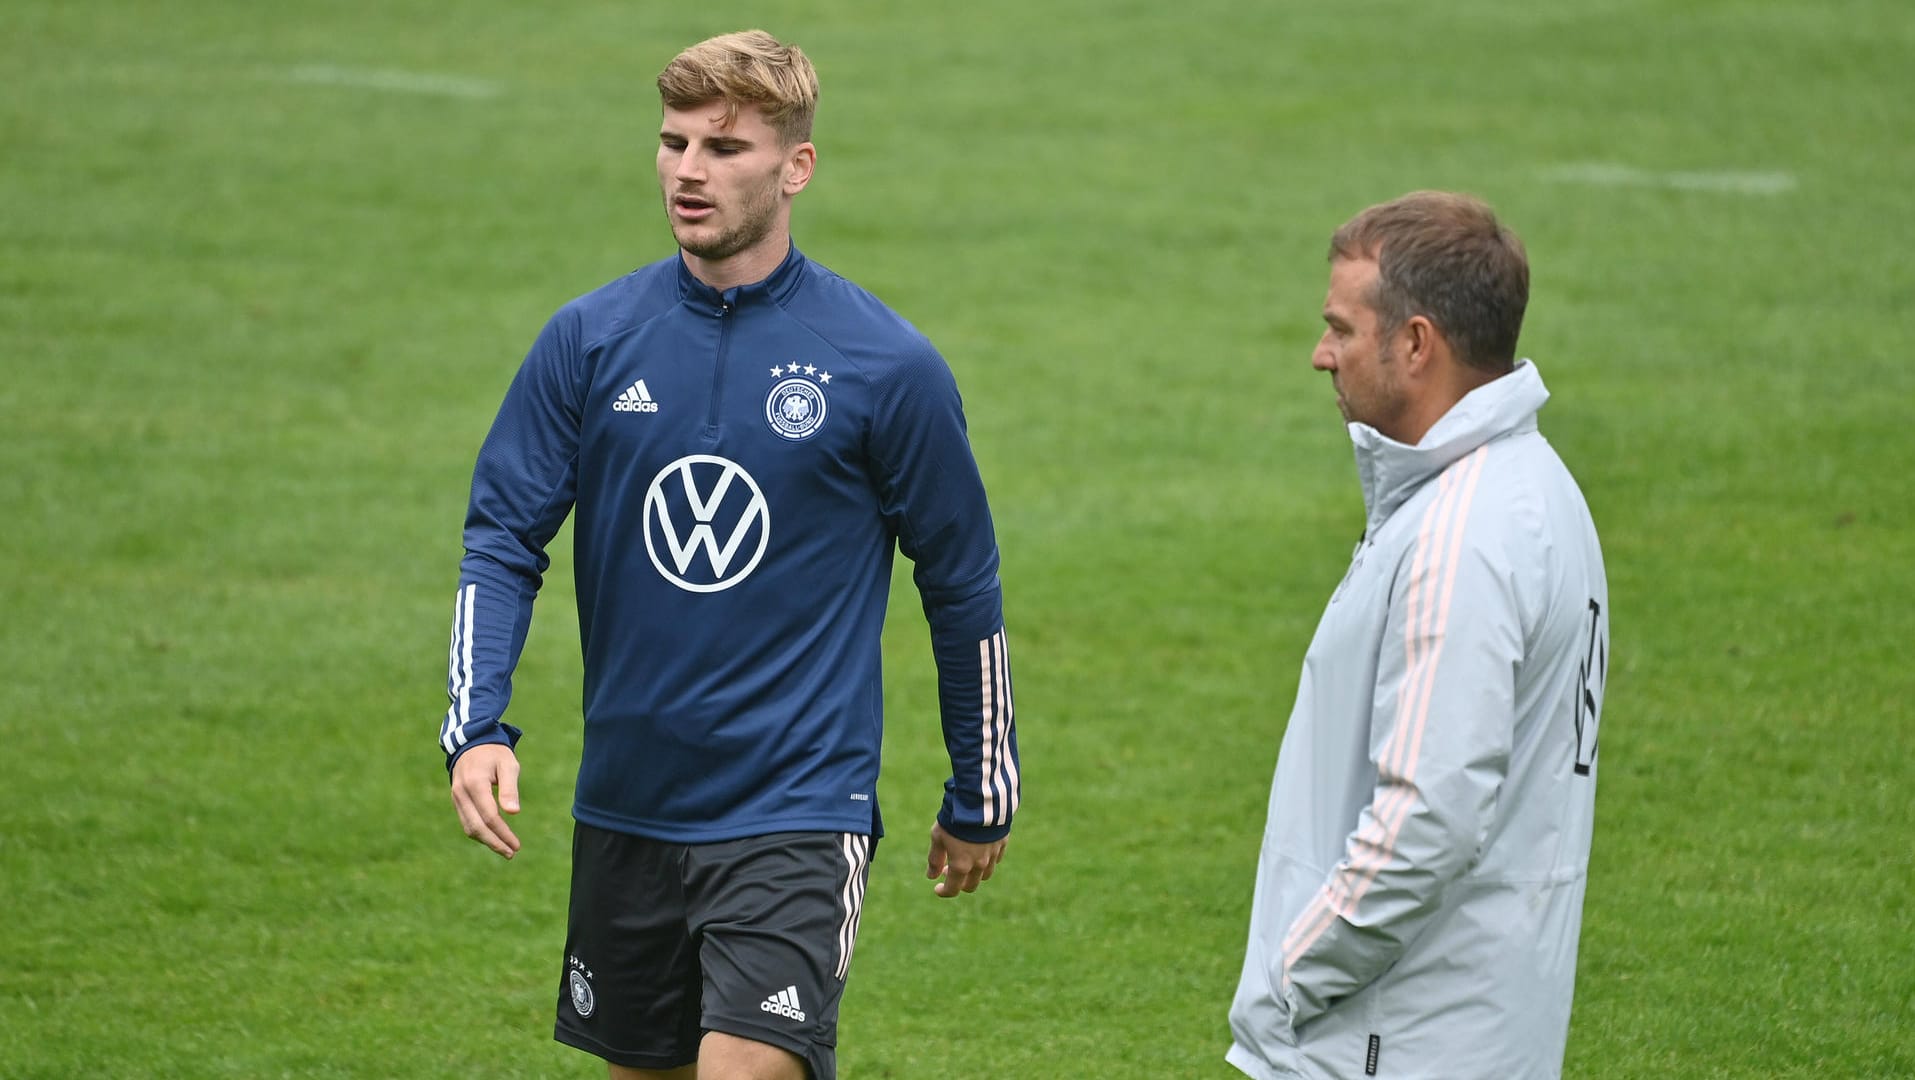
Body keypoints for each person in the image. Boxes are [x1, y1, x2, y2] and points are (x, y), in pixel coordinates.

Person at [438, 30, 1018, 1080]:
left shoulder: (885, 367)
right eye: (673, 143)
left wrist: (982, 788)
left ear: (795, 167)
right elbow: (501, 535)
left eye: (723, 147)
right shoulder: (589, 340)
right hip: (628, 806)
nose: (689, 171)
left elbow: (960, 579)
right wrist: (475, 725)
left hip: (794, 807)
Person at [1227, 191, 1609, 1080]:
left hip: (1389, 1040)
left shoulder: (1461, 534)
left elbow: (1425, 820)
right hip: (1466, 1022)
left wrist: (1294, 973)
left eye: (1341, 329)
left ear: (1415, 343)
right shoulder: (1534, 489)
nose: (1319, 355)